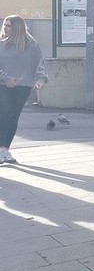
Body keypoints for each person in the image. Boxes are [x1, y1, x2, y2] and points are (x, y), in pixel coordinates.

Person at [0, 15, 47, 163]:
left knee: (13, 117)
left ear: (17, 28)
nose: (4, 28)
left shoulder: (32, 45)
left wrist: (41, 79)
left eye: (8, 25)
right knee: (4, 115)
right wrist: (6, 78)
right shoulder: (1, 44)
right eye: (4, 25)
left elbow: (39, 63)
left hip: (24, 86)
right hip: (3, 85)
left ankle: (5, 149)